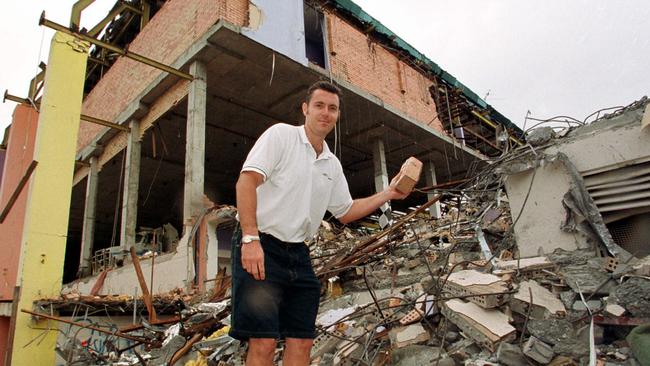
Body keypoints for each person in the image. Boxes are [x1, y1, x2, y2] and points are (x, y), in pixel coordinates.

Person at [230, 80, 413, 366]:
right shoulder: (281, 136)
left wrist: (389, 192)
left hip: (299, 256)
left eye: (332, 108)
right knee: (263, 342)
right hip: (262, 246)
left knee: (302, 341)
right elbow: (247, 181)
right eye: (319, 106)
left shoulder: (331, 163)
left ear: (337, 115)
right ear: (305, 109)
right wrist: (250, 239)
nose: (325, 113)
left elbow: (346, 211)